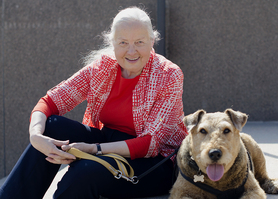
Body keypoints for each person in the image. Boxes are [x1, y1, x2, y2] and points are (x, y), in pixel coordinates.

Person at [0, 6, 187, 199]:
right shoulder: (102, 67)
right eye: (123, 42)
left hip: (155, 163)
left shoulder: (168, 74)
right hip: (107, 140)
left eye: (139, 42)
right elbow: (51, 101)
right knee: (50, 126)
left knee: (85, 171)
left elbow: (149, 144)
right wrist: (35, 136)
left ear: (152, 41)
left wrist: (93, 149)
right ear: (113, 43)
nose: (132, 51)